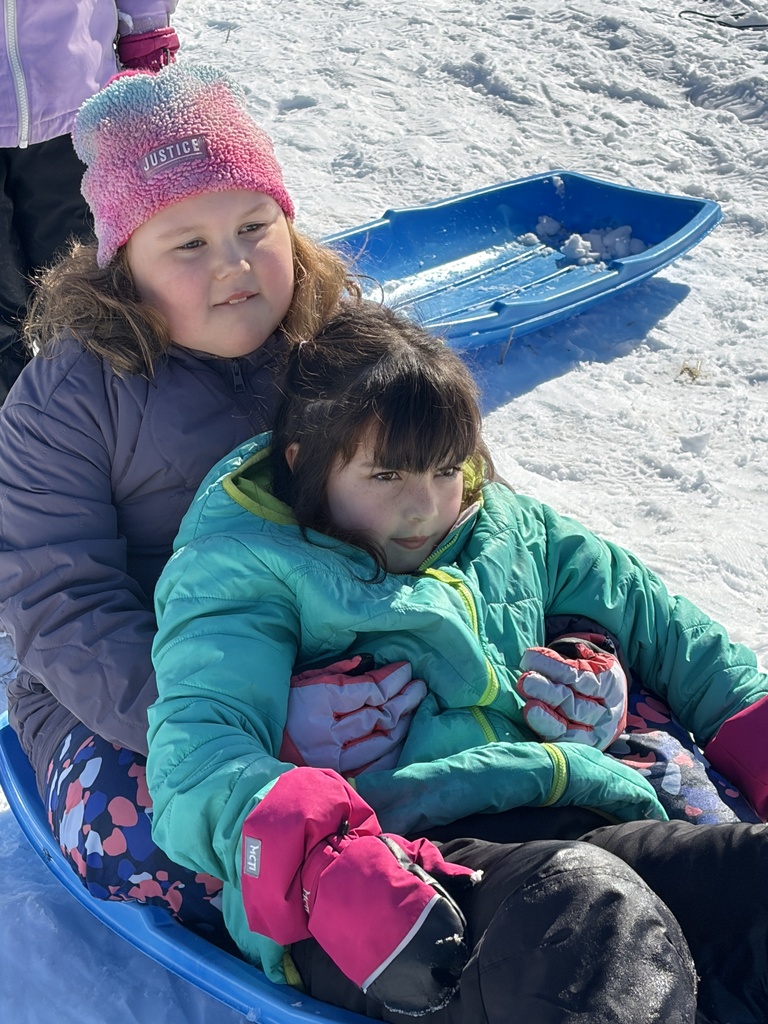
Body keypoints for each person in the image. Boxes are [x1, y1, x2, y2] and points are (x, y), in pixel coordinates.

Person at [147, 302, 768, 1023]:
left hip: (566, 818)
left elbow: (663, 625)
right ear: (305, 463)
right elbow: (196, 755)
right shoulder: (246, 565)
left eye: (446, 469)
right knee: (582, 916)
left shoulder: (507, 527)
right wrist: (322, 856)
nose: (426, 507)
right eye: (387, 477)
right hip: (386, 884)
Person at [0, 62, 361, 941]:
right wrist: (234, 724)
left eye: (253, 225)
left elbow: (458, 494)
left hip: (351, 651)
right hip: (138, 697)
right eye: (188, 244)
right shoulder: (68, 400)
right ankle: (351, 914)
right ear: (125, 266)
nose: (234, 264)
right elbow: (61, 604)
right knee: (146, 834)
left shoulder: (344, 347)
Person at [0, 1, 182, 402]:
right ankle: (12, 451)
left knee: (85, 298)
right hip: (70, 97)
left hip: (72, 101)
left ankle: (97, 430)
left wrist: (146, 25)